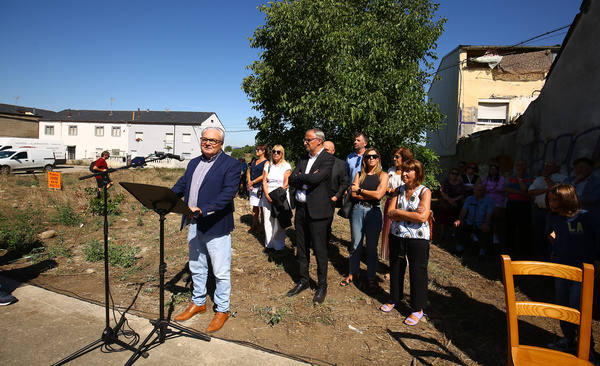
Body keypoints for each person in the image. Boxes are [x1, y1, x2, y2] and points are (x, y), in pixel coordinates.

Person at [171, 127, 241, 333]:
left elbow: (228, 194)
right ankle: (199, 302)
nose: (208, 143)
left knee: (220, 271)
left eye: (213, 140)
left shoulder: (230, 164)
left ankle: (222, 309)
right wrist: (167, 197)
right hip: (194, 223)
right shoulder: (193, 163)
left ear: (221, 144)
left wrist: (204, 209)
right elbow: (182, 185)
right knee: (196, 266)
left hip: (216, 224)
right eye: (205, 139)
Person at [545, 184, 599, 353]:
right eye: (550, 200)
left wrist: (598, 261)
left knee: (577, 306)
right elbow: (551, 233)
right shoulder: (553, 217)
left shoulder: (585, 217)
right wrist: (557, 248)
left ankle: (587, 348)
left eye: (556, 200)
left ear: (567, 198)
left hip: (583, 270)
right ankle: (568, 338)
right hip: (562, 268)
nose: (552, 203)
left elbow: (597, 238)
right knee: (562, 305)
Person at [286, 128, 335, 304]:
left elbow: (316, 179)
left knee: (320, 251)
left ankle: (322, 286)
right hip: (301, 210)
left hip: (318, 212)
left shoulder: (328, 159)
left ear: (318, 141)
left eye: (308, 140)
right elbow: (292, 178)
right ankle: (304, 280)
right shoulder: (303, 158)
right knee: (301, 248)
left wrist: (302, 177)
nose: (305, 142)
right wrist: (303, 177)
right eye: (305, 140)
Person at [381, 159, 431, 326]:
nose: (404, 173)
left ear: (417, 173)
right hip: (397, 235)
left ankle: (417, 308)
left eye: (408, 171)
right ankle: (394, 298)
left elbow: (422, 217)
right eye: (403, 170)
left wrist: (399, 213)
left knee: (418, 271)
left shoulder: (425, 192)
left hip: (418, 238)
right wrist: (411, 214)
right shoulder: (398, 190)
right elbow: (389, 213)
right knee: (396, 266)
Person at [340, 148, 388, 291]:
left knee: (372, 247)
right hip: (358, 210)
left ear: (378, 158)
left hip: (374, 212)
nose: (371, 159)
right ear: (365, 159)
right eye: (368, 157)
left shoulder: (383, 175)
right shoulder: (359, 174)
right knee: (355, 244)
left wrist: (360, 191)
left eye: (374, 156)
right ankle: (352, 273)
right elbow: (353, 194)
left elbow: (379, 195)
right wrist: (366, 194)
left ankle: (371, 276)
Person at [528, 160, 567, 260]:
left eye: (550, 165)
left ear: (556, 167)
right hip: (539, 210)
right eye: (546, 165)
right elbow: (531, 191)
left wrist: (547, 179)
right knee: (539, 234)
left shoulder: (562, 178)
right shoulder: (538, 179)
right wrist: (546, 190)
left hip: (554, 212)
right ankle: (541, 257)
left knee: (552, 235)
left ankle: (552, 256)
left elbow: (556, 191)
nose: (546, 167)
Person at [381, 147, 413, 266]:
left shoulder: (410, 171)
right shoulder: (391, 170)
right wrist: (389, 189)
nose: (394, 159)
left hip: (403, 205)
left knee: (402, 233)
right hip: (390, 203)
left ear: (404, 158)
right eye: (394, 156)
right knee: (390, 232)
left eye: (397, 157)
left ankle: (402, 262)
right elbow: (384, 186)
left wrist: (397, 190)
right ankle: (391, 262)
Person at [261, 144, 292, 252]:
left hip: (280, 196)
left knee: (279, 222)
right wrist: (267, 195)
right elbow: (264, 181)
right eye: (274, 151)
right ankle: (269, 244)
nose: (275, 154)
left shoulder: (286, 166)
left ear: (282, 153)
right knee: (268, 220)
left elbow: (286, 184)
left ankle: (278, 245)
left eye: (278, 152)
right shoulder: (267, 165)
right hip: (267, 196)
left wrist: (276, 197)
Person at [453, 182, 494, 258]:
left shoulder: (489, 201)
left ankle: (482, 250)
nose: (478, 192)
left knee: (486, 229)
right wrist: (460, 219)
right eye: (476, 190)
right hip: (470, 221)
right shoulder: (469, 199)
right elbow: (463, 211)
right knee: (459, 224)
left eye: (480, 190)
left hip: (481, 223)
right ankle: (460, 246)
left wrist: (486, 223)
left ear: (484, 191)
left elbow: (489, 215)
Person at [504, 160, 534, 259]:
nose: (519, 167)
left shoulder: (529, 178)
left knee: (524, 228)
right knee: (510, 226)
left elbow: (526, 189)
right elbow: (506, 189)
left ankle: (523, 251)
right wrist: (521, 192)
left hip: (524, 205)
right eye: (517, 165)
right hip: (511, 204)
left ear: (525, 166)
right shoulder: (511, 178)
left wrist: (520, 179)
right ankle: (509, 249)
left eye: (521, 165)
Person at [323, 141, 349, 243]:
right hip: (315, 198)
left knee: (326, 223)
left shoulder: (341, 164)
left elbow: (345, 182)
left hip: (331, 198)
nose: (324, 152)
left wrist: (337, 196)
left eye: (327, 150)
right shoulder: (315, 162)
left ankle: (324, 246)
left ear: (333, 151)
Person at [438, 168, 466, 242]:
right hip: (446, 201)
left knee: (456, 213)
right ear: (450, 174)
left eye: (456, 174)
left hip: (456, 202)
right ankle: (442, 233)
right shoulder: (446, 182)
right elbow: (442, 192)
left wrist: (454, 200)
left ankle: (453, 232)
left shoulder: (460, 183)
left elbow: (462, 194)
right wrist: (450, 200)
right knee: (444, 212)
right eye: (453, 173)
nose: (454, 175)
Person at [482, 163, 505, 247]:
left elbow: (500, 189)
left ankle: (495, 236)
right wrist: (491, 189)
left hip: (497, 202)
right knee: (487, 218)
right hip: (488, 201)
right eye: (491, 169)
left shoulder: (501, 179)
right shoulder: (487, 178)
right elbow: (482, 187)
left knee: (496, 219)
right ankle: (486, 235)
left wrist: (488, 189)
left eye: (494, 169)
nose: (492, 171)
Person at [247, 145, 268, 232]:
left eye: (258, 149)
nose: (256, 151)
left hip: (260, 188)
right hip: (252, 187)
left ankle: (262, 226)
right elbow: (249, 171)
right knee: (254, 207)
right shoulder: (254, 160)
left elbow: (264, 175)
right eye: (256, 149)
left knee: (262, 208)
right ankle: (254, 225)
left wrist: (253, 182)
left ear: (263, 151)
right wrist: (249, 182)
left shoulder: (266, 162)